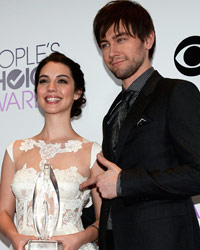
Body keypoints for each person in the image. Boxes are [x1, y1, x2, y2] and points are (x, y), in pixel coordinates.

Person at [80, 1, 200, 250]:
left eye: (121, 39)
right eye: (105, 44)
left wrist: (125, 183)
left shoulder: (175, 93)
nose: (112, 52)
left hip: (164, 241)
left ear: (148, 39)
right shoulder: (113, 113)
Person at [0, 52, 104, 250]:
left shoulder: (92, 152)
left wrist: (81, 238)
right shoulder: (15, 150)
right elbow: (3, 211)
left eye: (62, 81)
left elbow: (104, 218)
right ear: (37, 90)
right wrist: (15, 237)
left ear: (77, 92)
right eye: (44, 81)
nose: (51, 88)